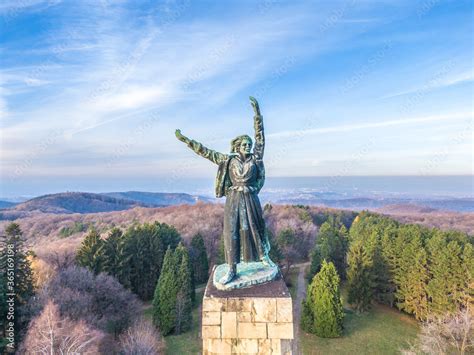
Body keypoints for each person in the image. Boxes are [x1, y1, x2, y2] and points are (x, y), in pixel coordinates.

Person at [175, 97, 273, 284]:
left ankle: (263, 257)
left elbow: (261, 138)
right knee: (233, 232)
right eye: (244, 144)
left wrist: (257, 115)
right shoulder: (228, 160)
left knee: (255, 228)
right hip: (234, 199)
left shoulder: (256, 158)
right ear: (237, 146)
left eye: (249, 144)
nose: (248, 146)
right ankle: (232, 268)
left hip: (251, 198)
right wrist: (186, 140)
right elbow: (205, 151)